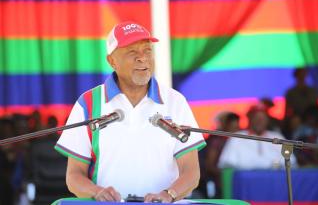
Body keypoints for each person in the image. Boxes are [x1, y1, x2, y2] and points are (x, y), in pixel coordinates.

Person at [55, 21, 206, 202]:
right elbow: (74, 176)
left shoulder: (175, 102)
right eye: (132, 52)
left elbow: (191, 172)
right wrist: (96, 192)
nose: (142, 58)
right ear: (112, 61)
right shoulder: (87, 103)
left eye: (148, 50)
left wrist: (168, 195)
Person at [218, 105, 297, 170]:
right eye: (256, 117)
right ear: (250, 119)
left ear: (267, 120)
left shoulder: (277, 137)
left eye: (263, 118)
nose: (260, 120)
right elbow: (227, 164)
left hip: (275, 181)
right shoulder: (237, 137)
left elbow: (291, 163)